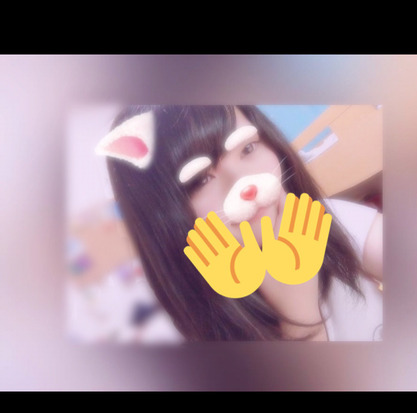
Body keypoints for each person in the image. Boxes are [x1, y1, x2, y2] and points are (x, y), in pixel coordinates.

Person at [97, 105, 383, 341]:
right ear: (163, 219)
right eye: (201, 179)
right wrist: (301, 321)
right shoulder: (189, 330)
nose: (244, 183)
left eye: (248, 148)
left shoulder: (326, 219)